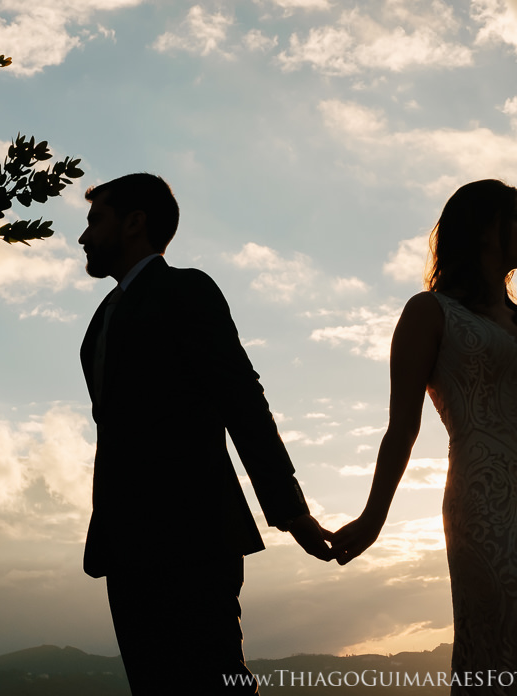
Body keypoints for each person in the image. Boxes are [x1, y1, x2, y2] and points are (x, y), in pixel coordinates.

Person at [330, 180, 517, 694]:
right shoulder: (428, 313)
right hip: (487, 511)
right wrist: (372, 518)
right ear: (483, 230)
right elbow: (402, 429)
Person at [77, 173, 332, 695]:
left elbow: (242, 399)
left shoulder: (185, 290)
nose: (83, 237)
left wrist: (289, 510)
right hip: (125, 547)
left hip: (192, 537)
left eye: (94, 221)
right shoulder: (101, 318)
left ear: (134, 223)